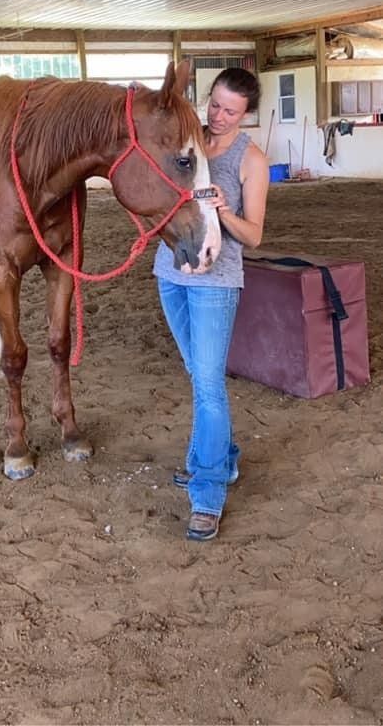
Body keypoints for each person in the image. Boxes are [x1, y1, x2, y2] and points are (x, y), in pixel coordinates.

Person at [153, 67, 269, 541]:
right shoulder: (190, 140)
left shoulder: (251, 159)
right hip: (170, 273)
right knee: (197, 376)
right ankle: (220, 457)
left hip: (216, 283)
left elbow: (255, 236)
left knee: (209, 385)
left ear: (247, 114)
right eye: (215, 105)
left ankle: (207, 492)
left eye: (231, 110)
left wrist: (224, 209)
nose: (219, 117)